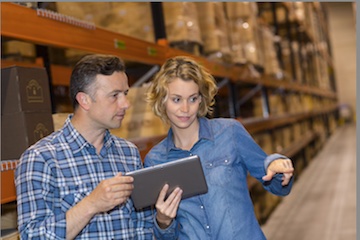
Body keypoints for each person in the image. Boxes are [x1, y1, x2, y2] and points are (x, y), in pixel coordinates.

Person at [144, 56, 294, 239]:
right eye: (176, 99)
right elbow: (166, 236)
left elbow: (278, 185)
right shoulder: (155, 160)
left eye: (192, 99)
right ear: (162, 101)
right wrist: (163, 221)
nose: (185, 108)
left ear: (201, 99)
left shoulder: (230, 133)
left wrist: (277, 166)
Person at [15, 54, 154, 239]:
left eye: (125, 94)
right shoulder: (41, 159)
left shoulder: (128, 153)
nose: (125, 104)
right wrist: (91, 204)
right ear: (84, 100)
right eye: (114, 96)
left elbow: (143, 224)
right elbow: (33, 236)